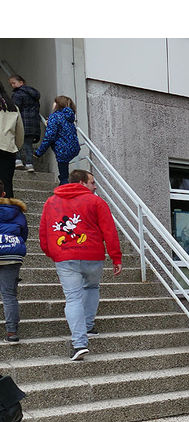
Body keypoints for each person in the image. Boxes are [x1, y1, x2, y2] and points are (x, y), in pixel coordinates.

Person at [39, 169, 122, 361]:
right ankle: (88, 325)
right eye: (92, 182)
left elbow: (43, 233)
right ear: (82, 182)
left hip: (65, 256)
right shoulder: (96, 202)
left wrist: (52, 252)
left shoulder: (51, 202)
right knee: (92, 287)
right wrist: (116, 257)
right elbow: (109, 231)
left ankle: (79, 343)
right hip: (93, 255)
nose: (95, 186)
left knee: (73, 298)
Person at [0, 180, 27, 342]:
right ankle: (12, 332)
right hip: (12, 252)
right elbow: (23, 233)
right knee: (9, 294)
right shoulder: (16, 211)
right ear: (4, 194)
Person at [34, 96, 80, 186]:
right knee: (64, 172)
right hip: (73, 148)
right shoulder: (69, 117)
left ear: (58, 104)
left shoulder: (55, 116)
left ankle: (65, 192)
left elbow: (49, 136)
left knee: (64, 177)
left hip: (62, 149)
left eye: (55, 102)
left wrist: (39, 152)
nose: (53, 104)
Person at [8, 76, 40, 173]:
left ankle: (18, 160)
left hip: (22, 123)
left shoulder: (18, 94)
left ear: (21, 82)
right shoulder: (34, 94)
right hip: (33, 124)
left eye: (13, 83)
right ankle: (29, 164)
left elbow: (14, 109)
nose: (12, 85)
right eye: (11, 84)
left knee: (16, 141)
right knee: (28, 145)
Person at [0, 86, 24, 199]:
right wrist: (16, 147)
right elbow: (20, 133)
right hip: (8, 150)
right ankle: (8, 213)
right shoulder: (13, 108)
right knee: (7, 184)